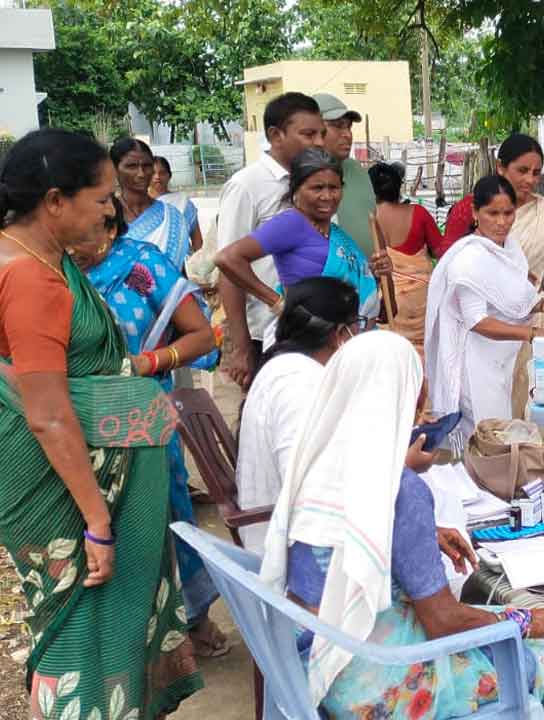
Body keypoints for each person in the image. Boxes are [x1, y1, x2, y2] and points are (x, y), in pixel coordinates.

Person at [260, 330, 544, 719]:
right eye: (417, 400)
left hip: (308, 652)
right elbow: (443, 621)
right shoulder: (400, 489)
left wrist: (422, 535)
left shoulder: (313, 460)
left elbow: (336, 531)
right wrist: (529, 619)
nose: (423, 413)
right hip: (370, 676)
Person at [0, 128, 201, 719]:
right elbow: (47, 411)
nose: (111, 211)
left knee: (87, 632)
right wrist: (96, 523)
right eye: (101, 198)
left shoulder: (40, 260)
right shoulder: (30, 277)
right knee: (79, 635)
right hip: (73, 492)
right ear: (56, 200)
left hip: (96, 478)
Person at [67, 196, 227, 656]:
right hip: (73, 423)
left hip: (141, 418)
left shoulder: (141, 266)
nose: (74, 246)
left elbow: (201, 334)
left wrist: (146, 363)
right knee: (96, 531)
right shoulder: (46, 269)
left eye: (84, 233)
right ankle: (121, 643)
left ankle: (190, 621)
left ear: (110, 226)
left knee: (164, 517)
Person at [425, 176, 544, 446]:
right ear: (475, 213)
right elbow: (478, 322)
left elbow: (515, 295)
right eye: (492, 213)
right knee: (484, 438)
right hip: (474, 363)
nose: (502, 222)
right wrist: (533, 333)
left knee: (498, 435)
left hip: (500, 361)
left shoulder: (510, 248)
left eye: (508, 213)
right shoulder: (468, 259)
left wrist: (542, 304)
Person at [442, 134, 544, 417]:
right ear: (501, 168)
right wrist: (533, 332)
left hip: (524, 325)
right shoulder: (469, 227)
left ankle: (516, 459)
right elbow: (457, 277)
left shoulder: (542, 218)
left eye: (536, 173)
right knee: (481, 415)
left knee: (517, 406)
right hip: (480, 335)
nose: (529, 180)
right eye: (522, 170)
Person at [215, 148, 392, 352]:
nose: (327, 196)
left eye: (334, 188)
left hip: (347, 346)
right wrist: (279, 304)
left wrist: (376, 272)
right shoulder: (292, 223)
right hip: (312, 349)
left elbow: (354, 291)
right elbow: (227, 258)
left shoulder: (335, 232)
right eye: (317, 188)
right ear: (296, 190)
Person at [236, 277, 360, 554]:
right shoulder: (299, 383)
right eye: (358, 325)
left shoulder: (289, 368)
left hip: (294, 533)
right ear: (340, 335)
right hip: (295, 552)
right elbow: (307, 484)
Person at [217, 92, 325, 391]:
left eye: (321, 134)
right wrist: (241, 347)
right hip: (265, 332)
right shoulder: (246, 186)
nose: (318, 142)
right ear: (275, 135)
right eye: (308, 134)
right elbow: (227, 268)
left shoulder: (319, 185)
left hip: (314, 329)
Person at [369, 161, 448, 357]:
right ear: (398, 186)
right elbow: (441, 252)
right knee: (425, 359)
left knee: (393, 358)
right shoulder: (418, 214)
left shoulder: (368, 220)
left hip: (385, 304)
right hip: (423, 302)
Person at [110, 137, 199, 269]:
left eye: (146, 166)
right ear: (114, 170)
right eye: (131, 166)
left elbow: (177, 272)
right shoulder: (106, 216)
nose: (141, 174)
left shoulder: (171, 216)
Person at [314, 93, 378, 258]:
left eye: (348, 127)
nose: (347, 134)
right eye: (337, 126)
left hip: (367, 279)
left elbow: (374, 224)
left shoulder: (357, 170)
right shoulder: (300, 179)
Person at [148, 154, 203, 255]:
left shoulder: (183, 202)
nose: (157, 177)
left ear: (169, 176)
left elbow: (197, 240)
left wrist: (198, 262)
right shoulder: (139, 204)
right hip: (147, 267)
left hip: (179, 265)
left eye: (162, 173)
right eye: (153, 173)